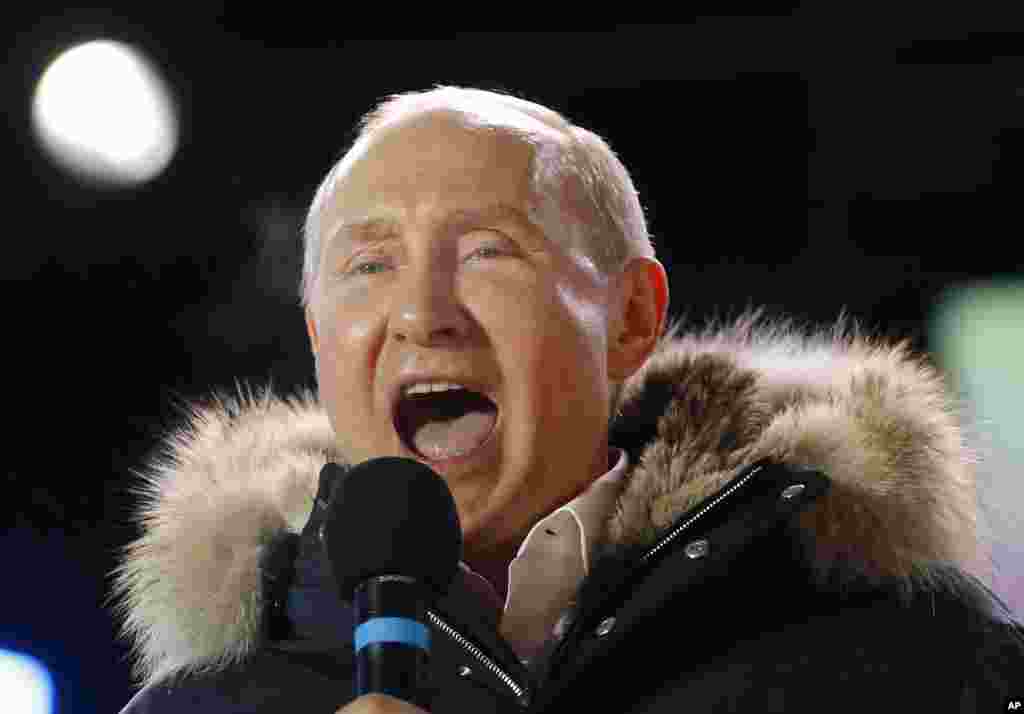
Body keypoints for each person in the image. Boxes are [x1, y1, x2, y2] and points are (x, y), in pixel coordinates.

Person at [114, 85, 1024, 713]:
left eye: (487, 252)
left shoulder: (916, 661)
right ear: (317, 337)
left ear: (631, 318)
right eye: (369, 265)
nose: (423, 315)